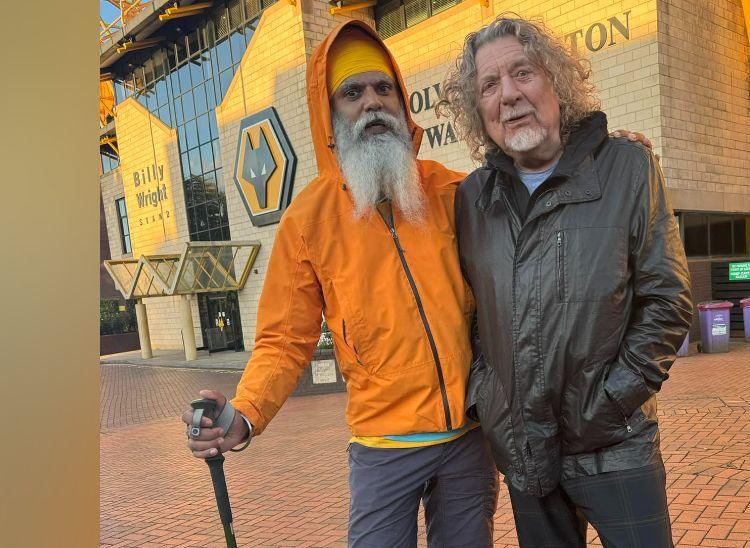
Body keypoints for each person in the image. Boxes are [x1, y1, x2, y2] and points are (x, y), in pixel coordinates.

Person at [180, 20, 654, 547]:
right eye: (352, 92)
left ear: (403, 104)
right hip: (382, 446)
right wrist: (245, 413)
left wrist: (607, 154)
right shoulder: (306, 221)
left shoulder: (456, 191)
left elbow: (538, 179)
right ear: (328, 114)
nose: (372, 102)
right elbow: (283, 341)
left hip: (469, 438)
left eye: (384, 88)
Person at [440, 15, 693, 547]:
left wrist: (610, 401)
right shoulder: (472, 198)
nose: (509, 95)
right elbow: (469, 314)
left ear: (556, 80)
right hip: (524, 451)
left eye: (523, 73)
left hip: (617, 444)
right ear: (477, 110)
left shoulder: (627, 167)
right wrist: (488, 397)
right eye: (490, 85)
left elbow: (668, 302)